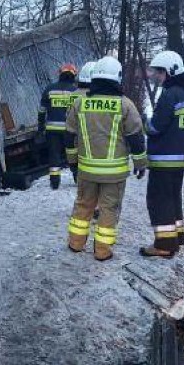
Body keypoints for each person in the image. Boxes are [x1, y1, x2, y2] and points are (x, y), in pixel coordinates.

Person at [65, 56, 147, 261]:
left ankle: (75, 243)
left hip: (86, 170)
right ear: (117, 78)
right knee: (109, 210)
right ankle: (102, 251)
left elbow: (69, 136)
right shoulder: (126, 105)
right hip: (114, 174)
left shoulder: (80, 103)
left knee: (83, 205)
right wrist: (140, 163)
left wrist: (72, 162)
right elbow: (136, 138)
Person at [141, 50, 184, 258]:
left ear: (170, 71)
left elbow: (156, 127)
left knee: (159, 201)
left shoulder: (170, 94)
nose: (157, 76)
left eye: (160, 72)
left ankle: (164, 245)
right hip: (180, 159)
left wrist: (146, 122)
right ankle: (175, 238)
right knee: (173, 199)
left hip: (164, 159)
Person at [38, 63, 78, 189]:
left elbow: (41, 110)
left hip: (52, 129)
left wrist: (41, 127)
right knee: (73, 153)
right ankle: (77, 178)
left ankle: (54, 183)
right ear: (73, 75)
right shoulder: (75, 91)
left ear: (60, 74)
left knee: (54, 155)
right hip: (70, 130)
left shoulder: (49, 89)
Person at [66, 61, 96, 183]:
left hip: (75, 133)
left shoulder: (72, 95)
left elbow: (68, 115)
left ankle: (76, 173)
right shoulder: (94, 97)